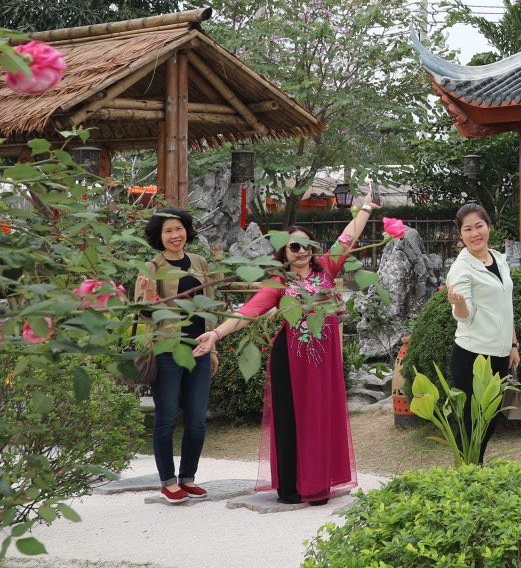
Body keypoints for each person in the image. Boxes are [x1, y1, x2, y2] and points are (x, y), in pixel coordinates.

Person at [194, 197, 375, 505]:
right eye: (294, 247)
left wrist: (367, 209)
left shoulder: (328, 269)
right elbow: (250, 310)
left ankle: (318, 485)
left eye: (306, 246)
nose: (302, 251)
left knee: (320, 418)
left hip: (323, 363)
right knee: (291, 422)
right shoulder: (280, 281)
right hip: (290, 360)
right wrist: (215, 333)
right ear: (284, 252)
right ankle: (291, 487)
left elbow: (348, 237)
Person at [134, 208, 221, 504]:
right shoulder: (152, 267)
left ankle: (188, 478)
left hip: (199, 349)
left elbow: (210, 307)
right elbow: (145, 314)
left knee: (197, 419)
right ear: (159, 236)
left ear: (187, 231)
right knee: (167, 417)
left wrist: (213, 349)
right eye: (168, 230)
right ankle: (168, 481)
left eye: (179, 229)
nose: (175, 235)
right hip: (167, 350)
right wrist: (147, 294)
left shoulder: (199, 262)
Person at [442, 202, 518, 462]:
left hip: (499, 352)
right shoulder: (461, 268)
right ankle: (467, 475)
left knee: (491, 420)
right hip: (473, 356)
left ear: (489, 227)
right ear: (460, 235)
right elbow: (464, 317)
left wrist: (513, 345)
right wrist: (460, 303)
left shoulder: (499, 258)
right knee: (470, 424)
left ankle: (477, 469)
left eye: (479, 226)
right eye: (467, 229)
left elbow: (506, 304)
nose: (475, 233)